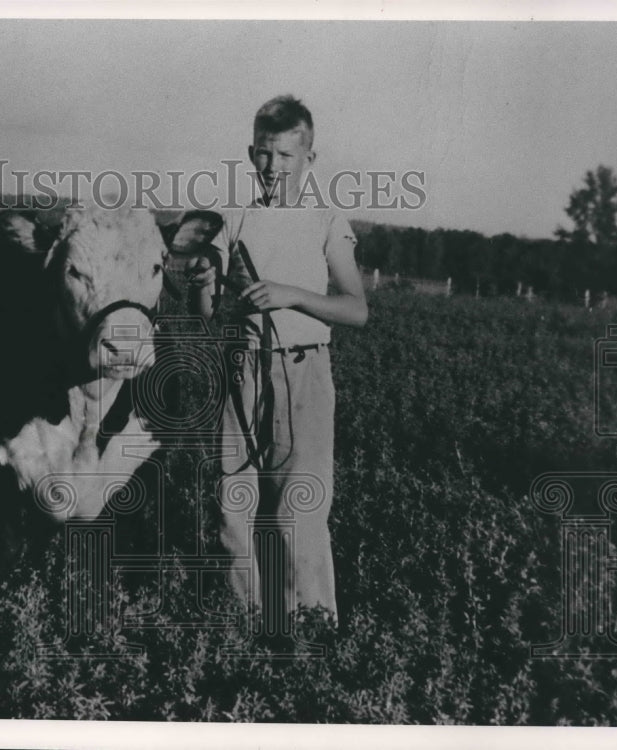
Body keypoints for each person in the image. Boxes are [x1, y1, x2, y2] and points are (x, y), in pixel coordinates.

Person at [186, 94, 368, 632]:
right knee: (233, 503)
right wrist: (200, 286)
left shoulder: (326, 217)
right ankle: (248, 629)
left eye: (287, 157)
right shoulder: (231, 218)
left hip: (303, 372)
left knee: (298, 509)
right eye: (265, 155)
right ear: (250, 153)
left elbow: (356, 309)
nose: (274, 168)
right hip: (241, 371)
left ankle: (309, 630)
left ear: (309, 159)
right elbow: (207, 312)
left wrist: (292, 294)